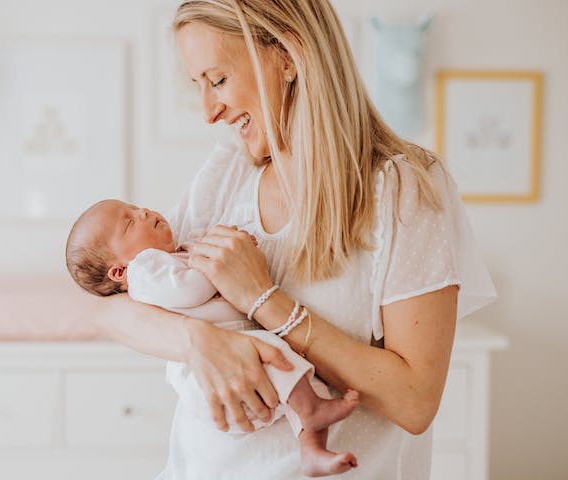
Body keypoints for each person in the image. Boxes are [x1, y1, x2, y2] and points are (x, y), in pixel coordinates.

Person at [92, 1, 497, 478]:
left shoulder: (401, 190)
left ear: (287, 56)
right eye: (196, 86)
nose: (208, 112)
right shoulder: (224, 177)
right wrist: (199, 341)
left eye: (218, 80)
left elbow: (414, 400)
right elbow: (110, 309)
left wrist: (265, 301)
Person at [65, 198, 361, 476]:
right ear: (119, 272)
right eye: (129, 222)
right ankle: (312, 414)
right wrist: (222, 266)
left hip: (235, 346)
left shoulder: (172, 254)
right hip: (215, 367)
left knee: (292, 373)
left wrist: (231, 242)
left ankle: (312, 451)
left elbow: (205, 253)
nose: (142, 212)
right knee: (280, 360)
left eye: (136, 207)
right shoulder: (143, 272)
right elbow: (188, 289)